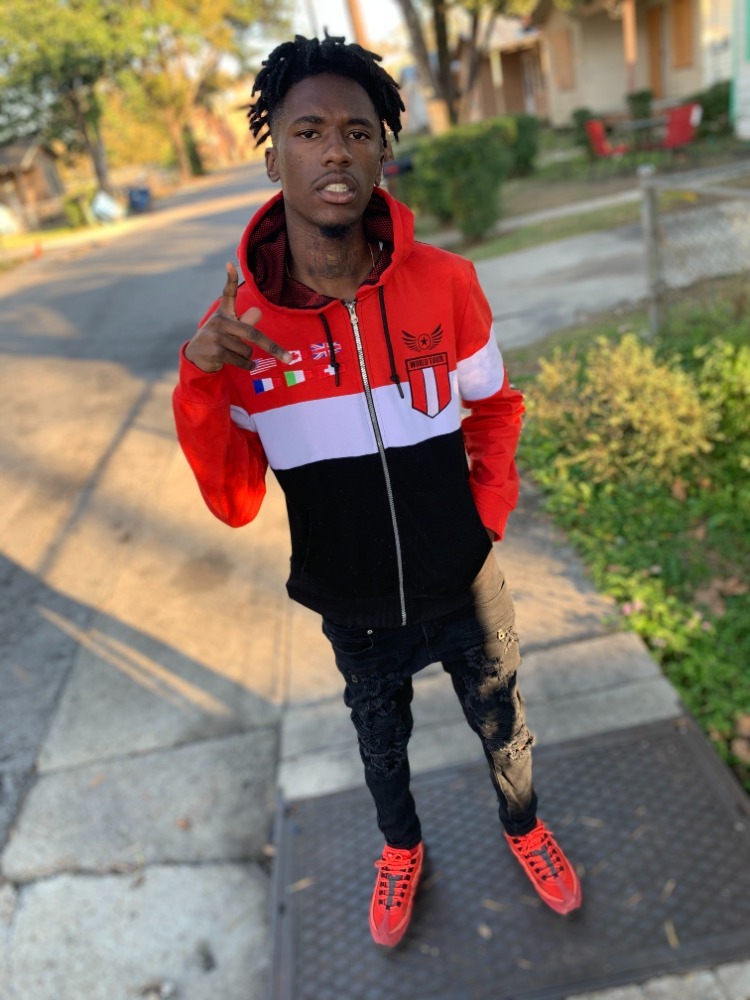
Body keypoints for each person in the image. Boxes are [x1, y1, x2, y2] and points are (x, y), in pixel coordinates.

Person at [172, 33, 581, 947]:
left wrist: (485, 518)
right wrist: (199, 381)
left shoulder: (447, 284)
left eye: (357, 132)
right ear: (273, 155)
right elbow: (234, 501)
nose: (335, 151)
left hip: (465, 582)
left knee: (504, 724)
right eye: (308, 130)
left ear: (382, 153)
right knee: (380, 745)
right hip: (353, 604)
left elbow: (495, 407)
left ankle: (523, 826)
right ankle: (402, 848)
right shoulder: (236, 332)